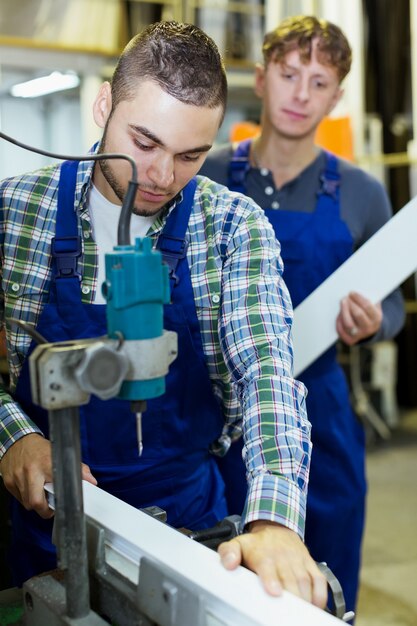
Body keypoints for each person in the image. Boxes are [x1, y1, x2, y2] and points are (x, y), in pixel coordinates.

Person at [0, 21, 328, 607]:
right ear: (104, 105)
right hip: (43, 515)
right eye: (144, 143)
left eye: (190, 155)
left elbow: (266, 375)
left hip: (185, 521)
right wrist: (13, 437)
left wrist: (276, 521)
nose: (160, 177)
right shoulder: (15, 212)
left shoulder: (232, 226)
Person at [200, 14, 405, 617]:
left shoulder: (364, 192)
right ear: (262, 79)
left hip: (325, 413)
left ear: (337, 95)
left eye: (319, 82)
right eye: (290, 74)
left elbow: (392, 311)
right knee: (232, 580)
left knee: (330, 581)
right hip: (223, 411)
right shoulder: (207, 174)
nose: (301, 94)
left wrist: (372, 322)